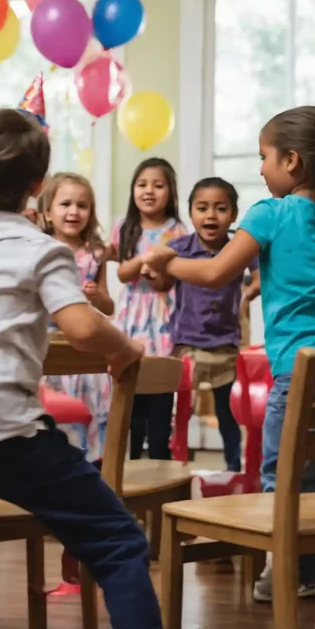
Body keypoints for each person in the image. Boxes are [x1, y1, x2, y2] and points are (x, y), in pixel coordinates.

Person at [0, 108, 160, 629]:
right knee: (118, 541)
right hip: (6, 431)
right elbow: (83, 329)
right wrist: (126, 347)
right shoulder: (40, 251)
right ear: (38, 187)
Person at [144, 106, 315, 602]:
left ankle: (296, 573)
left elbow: (214, 274)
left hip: (299, 370)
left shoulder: (269, 214)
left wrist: (169, 259)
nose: (259, 168)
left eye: (264, 157)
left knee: (288, 474)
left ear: (291, 161)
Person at [37, 172, 115, 592]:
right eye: (65, 204)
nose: (74, 212)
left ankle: (87, 507)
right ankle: (58, 506)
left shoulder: (95, 255)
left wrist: (99, 299)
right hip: (53, 361)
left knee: (91, 436)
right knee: (57, 435)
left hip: (87, 361)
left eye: (82, 205)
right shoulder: (41, 252)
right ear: (47, 212)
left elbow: (108, 304)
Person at [167, 177, 259, 472]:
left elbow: (259, 274)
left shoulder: (238, 249)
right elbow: (155, 273)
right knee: (181, 410)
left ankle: (234, 465)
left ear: (233, 215)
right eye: (202, 208)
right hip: (188, 344)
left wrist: (251, 288)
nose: (210, 215)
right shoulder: (179, 247)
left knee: (227, 411)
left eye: (220, 208)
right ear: (190, 212)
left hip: (225, 345)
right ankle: (176, 463)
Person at [112, 157, 187, 460]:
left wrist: (156, 274)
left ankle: (159, 453)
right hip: (131, 313)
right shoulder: (125, 227)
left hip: (163, 313)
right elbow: (121, 273)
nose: (149, 191)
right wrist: (145, 260)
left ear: (171, 192)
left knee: (159, 384)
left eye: (158, 185)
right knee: (130, 383)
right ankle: (130, 457)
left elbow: (169, 281)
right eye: (142, 184)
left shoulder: (178, 231)